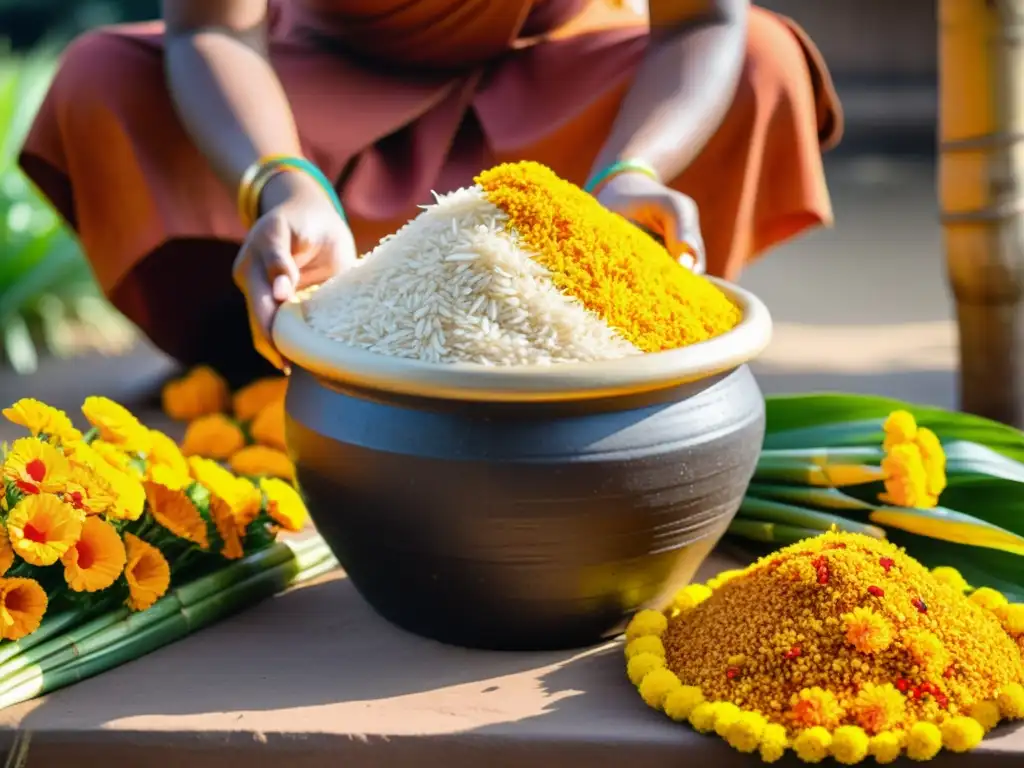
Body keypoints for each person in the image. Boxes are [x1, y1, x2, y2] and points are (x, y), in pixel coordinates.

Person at [20, 0, 841, 385]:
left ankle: (608, 362)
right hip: (311, 80)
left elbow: (703, 22)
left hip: (562, 84)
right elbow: (213, 26)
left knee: (764, 62)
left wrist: (631, 171)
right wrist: (281, 178)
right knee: (103, 80)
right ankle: (264, 361)